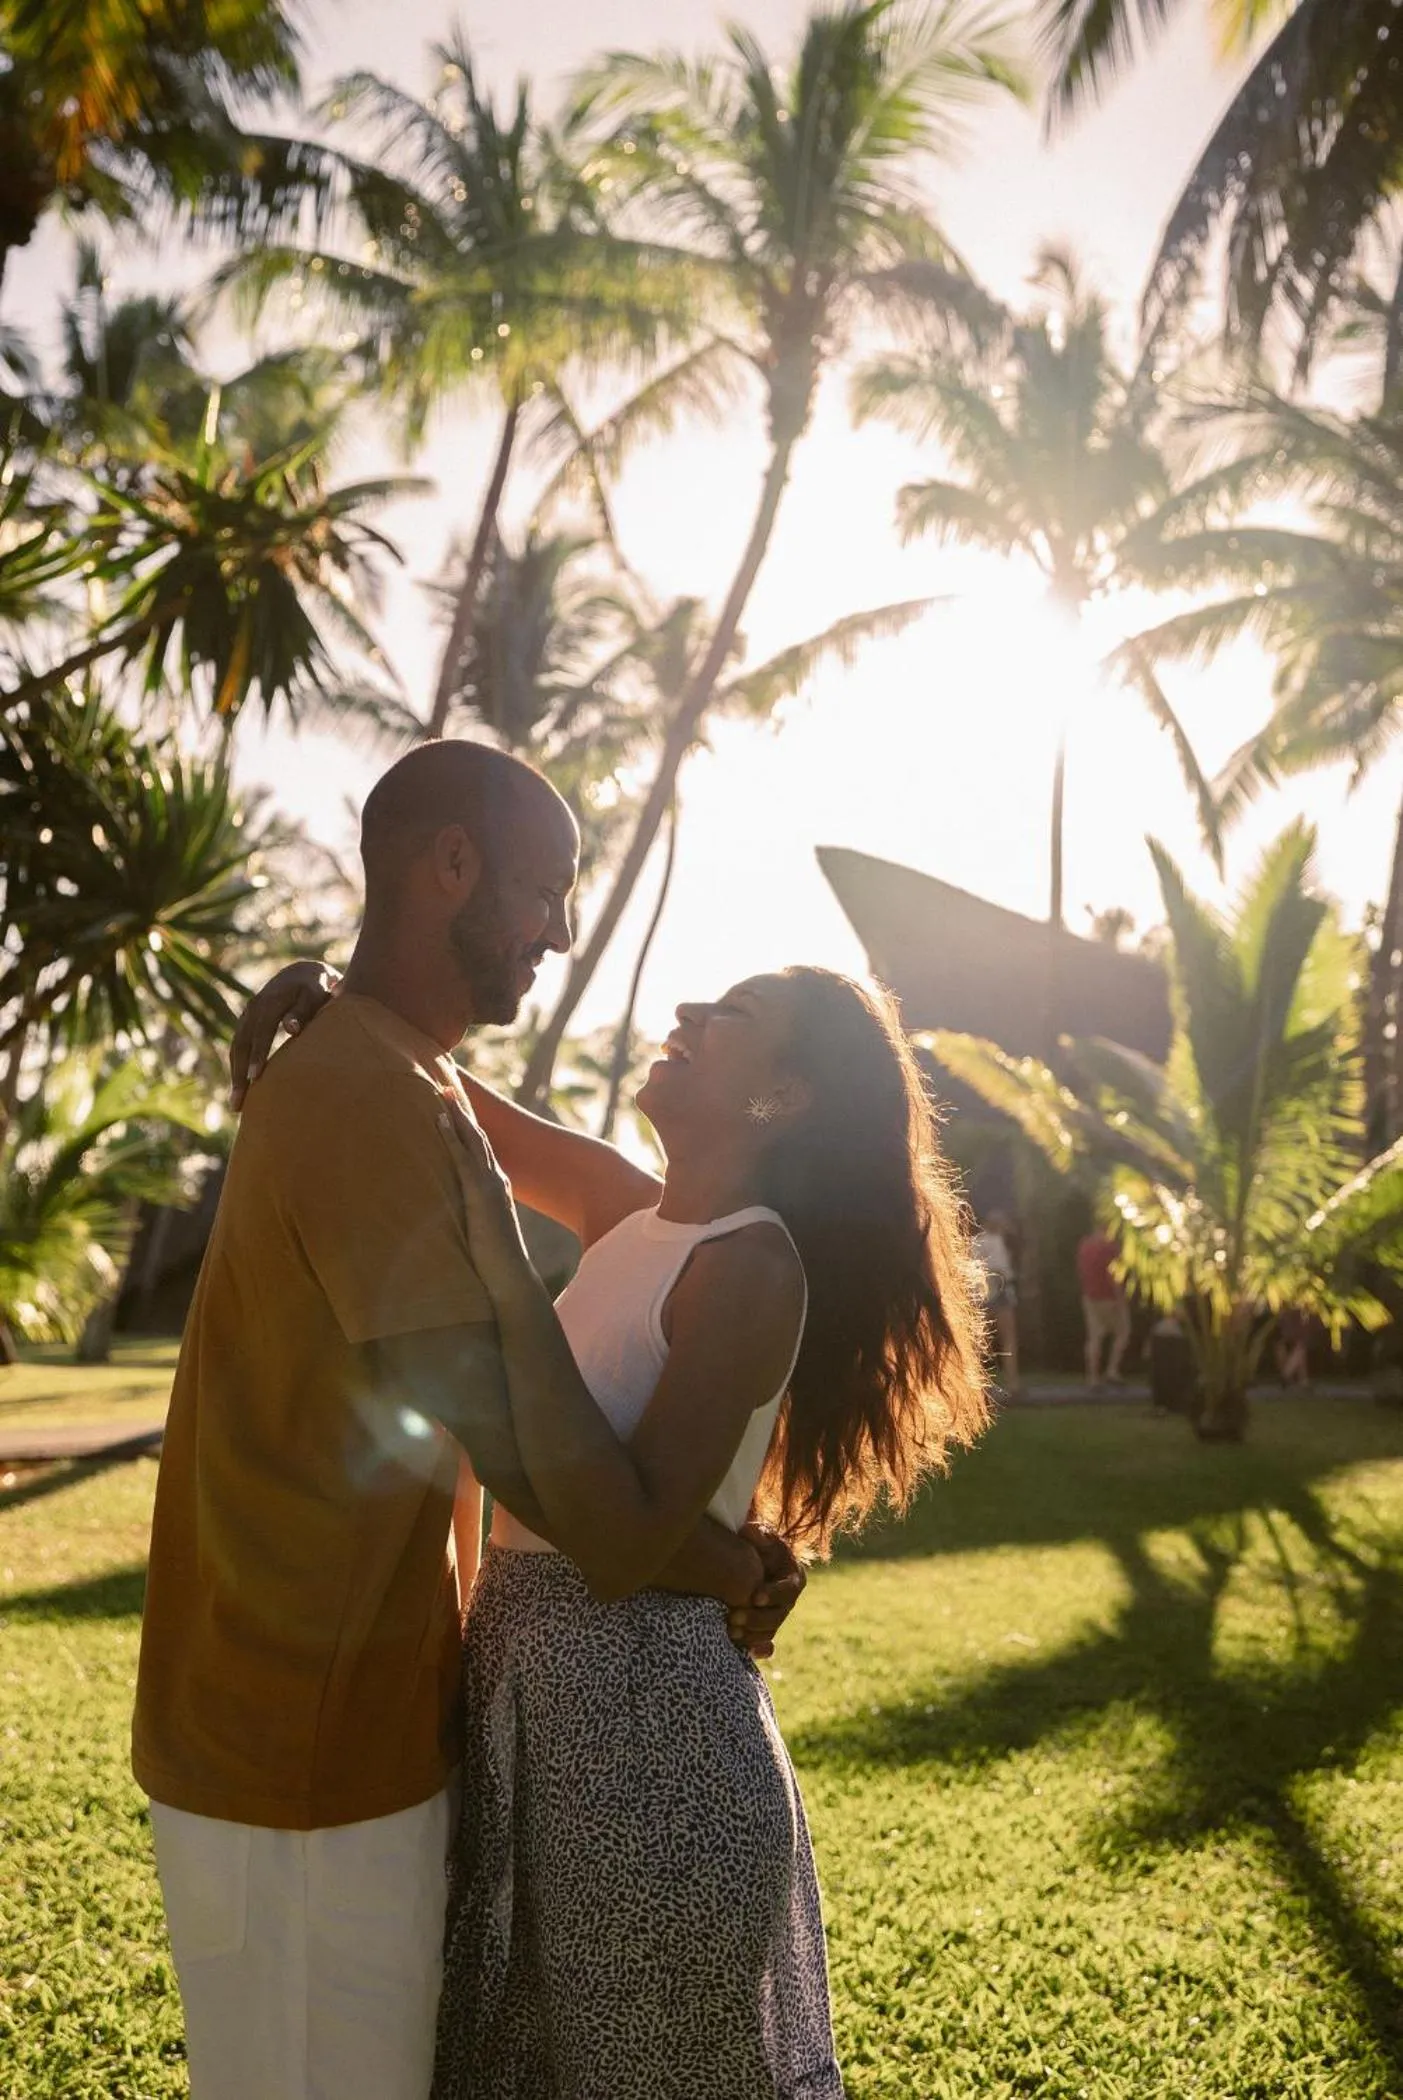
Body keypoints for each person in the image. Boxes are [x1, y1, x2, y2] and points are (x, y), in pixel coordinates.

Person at [133, 740, 801, 2100]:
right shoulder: (370, 1095)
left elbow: (607, 1209)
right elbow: (561, 1482)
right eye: (548, 890)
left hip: (346, 1729)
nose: (561, 929)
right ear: (451, 867)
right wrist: (730, 1563)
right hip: (298, 1760)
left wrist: (334, 985)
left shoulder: (401, 1076)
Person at [238, 955, 990, 2099]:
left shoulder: (748, 1265)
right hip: (535, 1693)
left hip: (651, 1737)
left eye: (729, 1016)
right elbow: (451, 1103)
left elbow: (625, 1541)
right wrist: (344, 993)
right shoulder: (630, 1210)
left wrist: (498, 1271)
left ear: (779, 1098)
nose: (685, 1011)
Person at [972, 1209, 1020, 1396]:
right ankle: (1012, 1383)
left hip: (979, 1294)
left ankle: (980, 1383)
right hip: (999, 1293)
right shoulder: (997, 1241)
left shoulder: (975, 1242)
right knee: (1008, 1338)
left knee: (982, 1340)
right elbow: (999, 1269)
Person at [1076, 1225, 1131, 1390]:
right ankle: (1112, 1370)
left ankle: (1093, 1377)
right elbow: (1115, 1274)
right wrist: (1120, 1298)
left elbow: (1081, 1270)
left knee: (1095, 1337)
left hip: (1090, 1296)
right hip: (1109, 1297)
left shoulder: (1085, 1245)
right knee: (1123, 1331)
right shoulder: (1110, 1248)